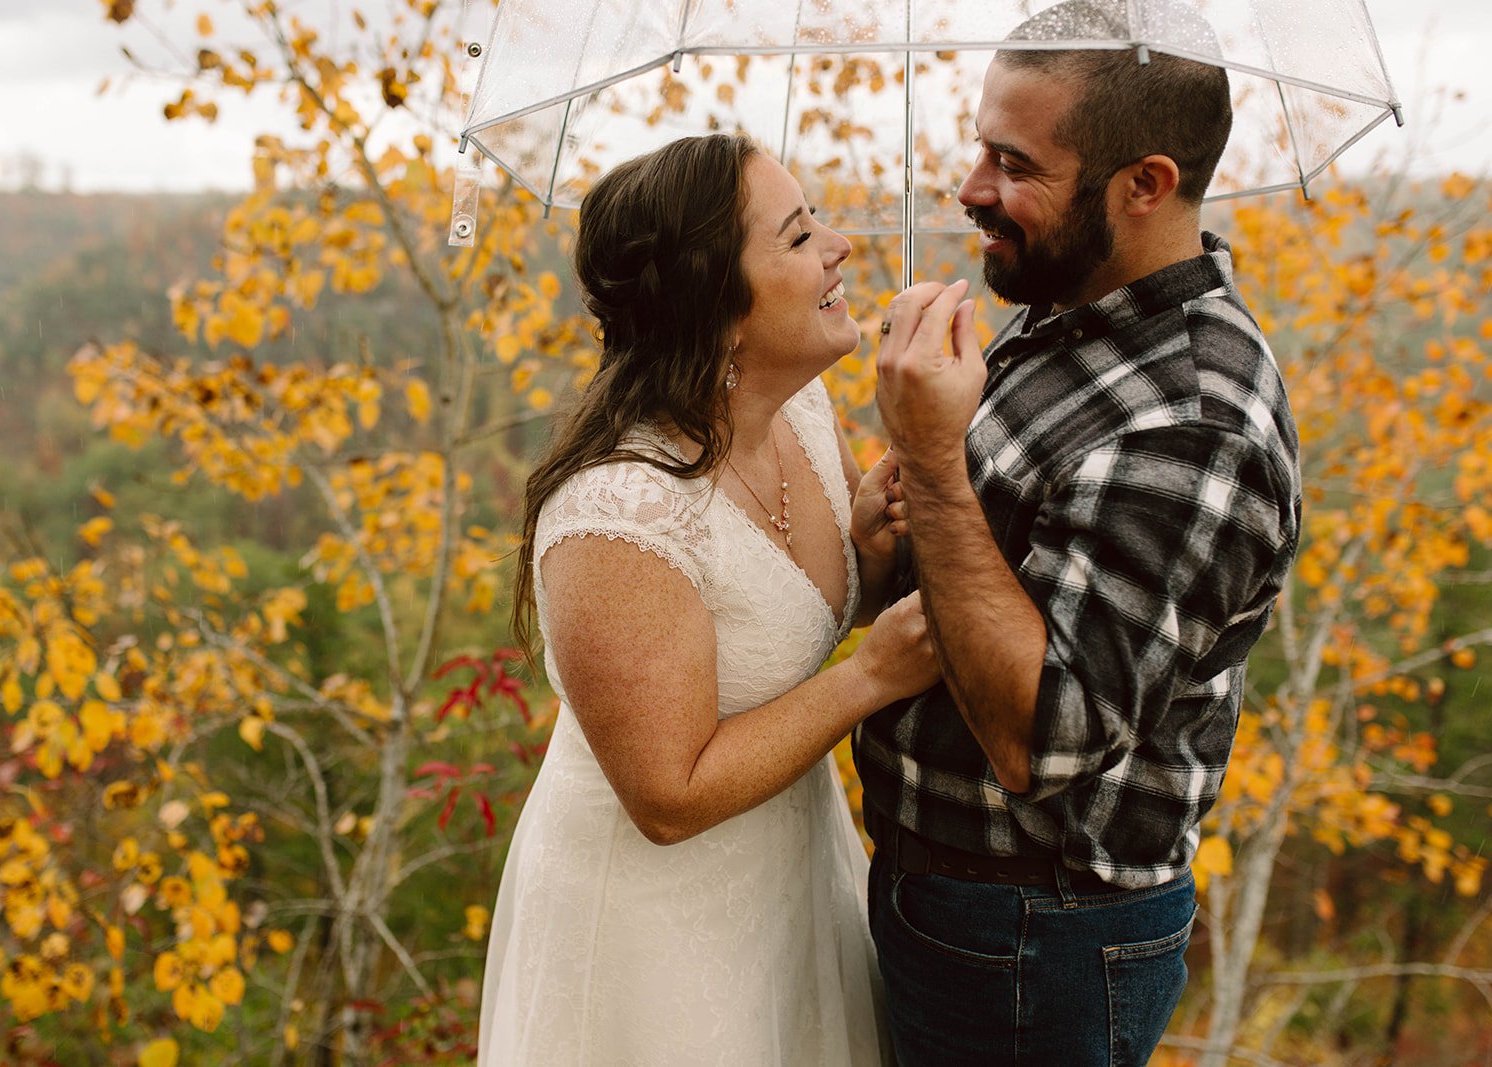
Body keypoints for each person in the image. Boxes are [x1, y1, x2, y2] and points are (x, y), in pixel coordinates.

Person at [856, 2, 1303, 1064]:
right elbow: (979, 571)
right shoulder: (1067, 307)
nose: (970, 188)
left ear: (1143, 185)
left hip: (1033, 937)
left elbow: (1041, 736)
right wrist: (891, 524)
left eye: (1014, 163)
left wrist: (932, 460)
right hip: (952, 903)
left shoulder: (1191, 421)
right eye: (979, 147)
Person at [478, 132, 934, 1066]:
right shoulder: (620, 508)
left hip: (792, 879)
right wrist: (870, 678)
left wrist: (874, 552)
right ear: (718, 307)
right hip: (656, 921)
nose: (840, 245)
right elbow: (667, 795)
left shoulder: (799, 416)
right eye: (801, 236)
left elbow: (785, 616)